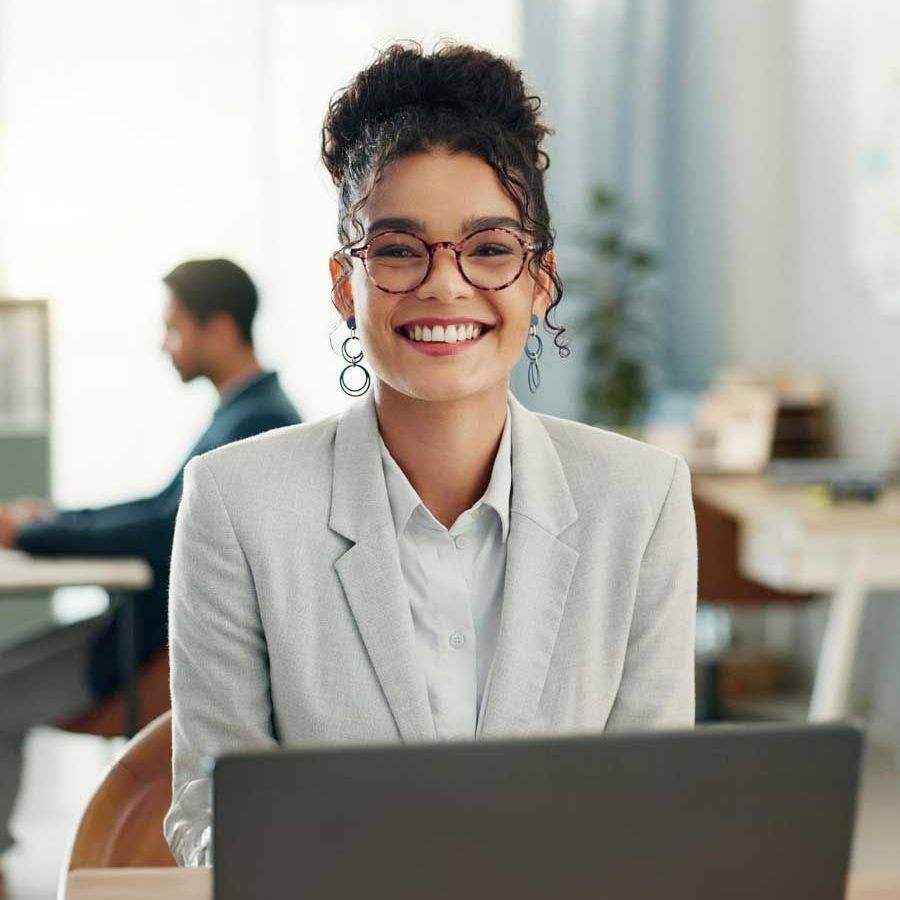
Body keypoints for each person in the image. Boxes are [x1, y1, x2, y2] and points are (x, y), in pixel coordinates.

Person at [164, 43, 697, 866]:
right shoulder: (237, 501)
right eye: (399, 249)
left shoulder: (643, 498)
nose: (446, 287)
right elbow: (210, 809)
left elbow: (655, 809)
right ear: (347, 284)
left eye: (489, 248)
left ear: (540, 279)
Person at [0, 258, 301, 867]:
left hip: (152, 652)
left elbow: (163, 528)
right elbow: (160, 506)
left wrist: (38, 535)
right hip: (135, 634)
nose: (166, 346)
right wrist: (48, 522)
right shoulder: (242, 413)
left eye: (174, 328)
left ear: (218, 328)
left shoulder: (259, 422)